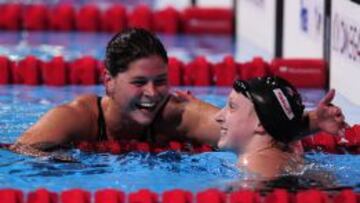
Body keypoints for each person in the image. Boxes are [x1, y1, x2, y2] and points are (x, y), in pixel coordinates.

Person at [10, 28, 346, 158]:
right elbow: (20, 151)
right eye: (140, 83)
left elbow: (251, 131)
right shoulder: (75, 118)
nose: (153, 93)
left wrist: (311, 121)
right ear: (108, 80)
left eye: (161, 80)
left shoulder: (177, 114)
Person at [215, 76, 332, 178]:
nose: (218, 116)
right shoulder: (290, 155)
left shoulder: (251, 165)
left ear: (260, 123)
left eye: (232, 107)